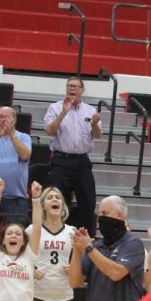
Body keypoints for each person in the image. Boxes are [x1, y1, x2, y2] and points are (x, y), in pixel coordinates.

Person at [43, 76, 101, 235]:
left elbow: (98, 135)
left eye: (76, 86)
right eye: (69, 86)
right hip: (61, 160)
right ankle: (53, 236)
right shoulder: (54, 107)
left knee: (88, 203)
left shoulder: (90, 110)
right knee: (57, 201)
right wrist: (63, 112)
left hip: (82, 162)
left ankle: (88, 241)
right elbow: (50, 131)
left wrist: (95, 125)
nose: (72, 89)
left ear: (82, 90)